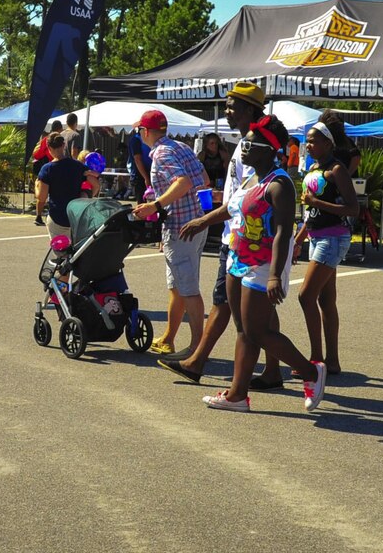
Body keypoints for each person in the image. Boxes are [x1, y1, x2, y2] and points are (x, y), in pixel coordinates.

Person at [199, 116, 326, 414]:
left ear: (268, 149)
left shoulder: (279, 184)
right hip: (238, 258)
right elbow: (230, 209)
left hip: (264, 265)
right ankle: (237, 395)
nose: (243, 148)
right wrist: (202, 221)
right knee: (244, 329)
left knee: (257, 332)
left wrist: (273, 277)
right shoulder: (251, 178)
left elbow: (283, 231)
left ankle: (310, 372)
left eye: (251, 144)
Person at [157, 82, 268, 385]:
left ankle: (308, 371)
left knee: (239, 311)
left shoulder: (254, 146)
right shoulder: (245, 142)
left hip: (242, 239)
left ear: (249, 109)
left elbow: (254, 197)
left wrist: (204, 219)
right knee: (238, 307)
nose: (228, 111)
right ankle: (203, 362)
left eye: (232, 106)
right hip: (236, 236)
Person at [130, 109, 210, 357]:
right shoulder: (181, 147)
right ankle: (168, 339)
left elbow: (182, 182)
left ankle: (198, 347)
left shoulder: (162, 153)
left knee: (188, 289)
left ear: (145, 131)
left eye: (139, 131)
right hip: (195, 223)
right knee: (177, 287)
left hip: (181, 228)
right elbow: (203, 179)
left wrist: (156, 205)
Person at [294, 124, 357, 374]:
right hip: (317, 236)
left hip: (333, 237)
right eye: (307, 141)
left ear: (328, 144)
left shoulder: (336, 170)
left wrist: (316, 201)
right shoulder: (313, 170)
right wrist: (299, 238)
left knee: (305, 296)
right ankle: (332, 362)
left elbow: (353, 209)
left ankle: (316, 360)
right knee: (325, 300)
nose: (309, 145)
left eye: (314, 141)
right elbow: (310, 212)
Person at [36, 131, 100, 244]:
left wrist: (36, 185)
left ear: (48, 147)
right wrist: (88, 196)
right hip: (76, 217)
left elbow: (42, 197)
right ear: (64, 145)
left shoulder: (47, 169)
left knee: (62, 252)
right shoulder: (78, 166)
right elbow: (96, 185)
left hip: (58, 217)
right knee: (77, 252)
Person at [31, 119, 63, 226]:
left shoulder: (45, 139)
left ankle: (38, 216)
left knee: (43, 192)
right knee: (47, 192)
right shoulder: (54, 140)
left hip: (41, 167)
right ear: (59, 129)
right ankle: (42, 215)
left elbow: (36, 154)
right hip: (49, 168)